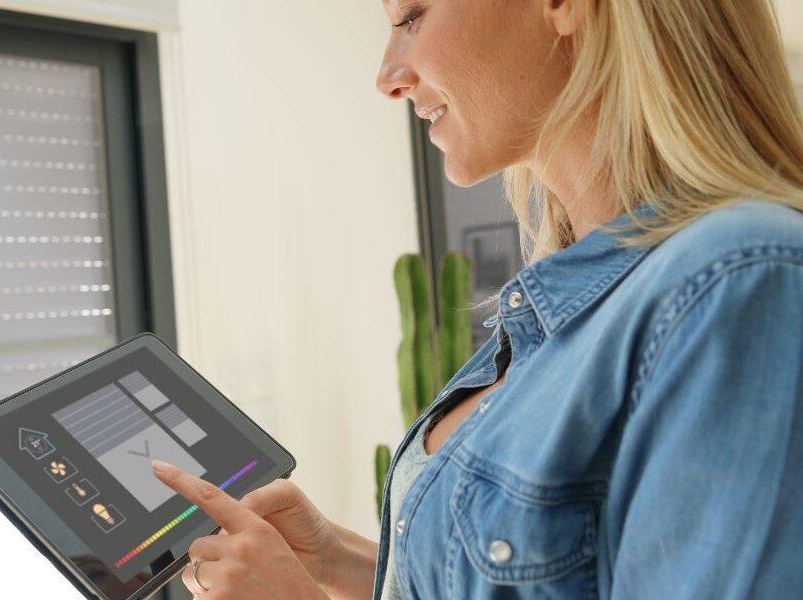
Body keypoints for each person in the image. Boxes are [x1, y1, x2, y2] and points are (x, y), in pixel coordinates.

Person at [151, 0, 803, 597]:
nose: (387, 75)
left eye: (411, 16)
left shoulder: (739, 282)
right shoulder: (568, 304)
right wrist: (336, 560)